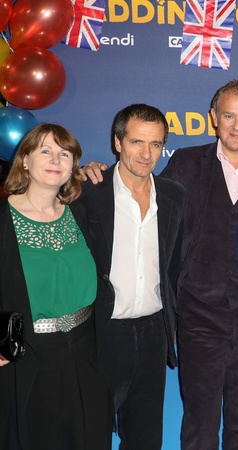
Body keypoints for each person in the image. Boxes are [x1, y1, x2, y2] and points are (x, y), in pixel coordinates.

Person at [84, 81, 238, 449]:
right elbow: (140, 192)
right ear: (214, 117)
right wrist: (94, 172)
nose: (237, 126)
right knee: (199, 424)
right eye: (228, 115)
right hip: (198, 318)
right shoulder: (185, 163)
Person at [81, 104, 186, 450]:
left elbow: (173, 266)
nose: (146, 154)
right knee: (90, 433)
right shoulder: (88, 192)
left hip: (154, 333)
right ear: (117, 142)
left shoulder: (174, 195)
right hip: (102, 333)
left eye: (155, 144)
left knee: (145, 438)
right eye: (137, 142)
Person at [0, 123, 111, 450]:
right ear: (24, 160)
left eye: (65, 154)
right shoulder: (3, 219)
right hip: (29, 355)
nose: (55, 160)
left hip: (86, 350)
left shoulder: (81, 210)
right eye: (45, 151)